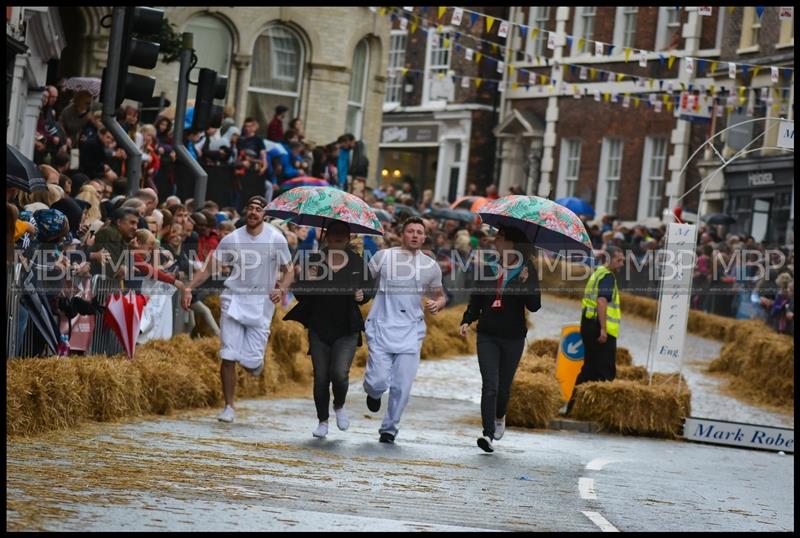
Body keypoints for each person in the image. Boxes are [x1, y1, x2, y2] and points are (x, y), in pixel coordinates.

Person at [181, 196, 293, 423]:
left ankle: (254, 362)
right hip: (233, 300)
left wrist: (281, 289)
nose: (253, 212)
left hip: (261, 305)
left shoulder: (275, 238)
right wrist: (189, 287)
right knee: (228, 354)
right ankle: (229, 406)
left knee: (251, 364)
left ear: (266, 215)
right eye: (250, 208)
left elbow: (289, 269)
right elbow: (209, 267)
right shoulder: (232, 238)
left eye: (258, 209)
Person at [285, 221, 375, 438]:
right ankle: (322, 420)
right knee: (322, 377)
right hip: (319, 326)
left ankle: (340, 405)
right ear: (326, 236)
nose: (337, 237)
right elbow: (299, 293)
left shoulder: (357, 262)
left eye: (342, 234)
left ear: (349, 237)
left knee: (340, 374)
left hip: (347, 328)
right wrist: (311, 279)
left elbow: (369, 288)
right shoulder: (314, 260)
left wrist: (363, 295)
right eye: (333, 233)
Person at [362, 216, 447, 443]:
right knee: (378, 381)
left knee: (402, 386)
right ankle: (374, 392)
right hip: (381, 324)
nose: (415, 235)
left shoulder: (430, 266)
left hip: (411, 330)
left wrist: (436, 304)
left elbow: (440, 295)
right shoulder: (383, 257)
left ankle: (389, 429)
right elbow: (363, 280)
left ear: (424, 237)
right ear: (403, 234)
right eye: (411, 231)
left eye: (420, 232)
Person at [459, 225, 541, 453]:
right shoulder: (487, 268)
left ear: (512, 243)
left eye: (500, 236)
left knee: (504, 389)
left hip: (513, 337)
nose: (495, 240)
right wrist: (467, 320)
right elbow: (476, 300)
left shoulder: (527, 270)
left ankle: (499, 415)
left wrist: (526, 284)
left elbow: (534, 306)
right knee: (490, 386)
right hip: (487, 334)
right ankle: (487, 434)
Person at [565, 246, 625, 415]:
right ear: (609, 259)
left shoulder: (597, 273)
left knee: (589, 370)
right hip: (599, 329)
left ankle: (574, 408)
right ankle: (599, 412)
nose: (622, 264)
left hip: (589, 325)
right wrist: (604, 330)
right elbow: (601, 302)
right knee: (605, 372)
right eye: (619, 260)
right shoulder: (607, 276)